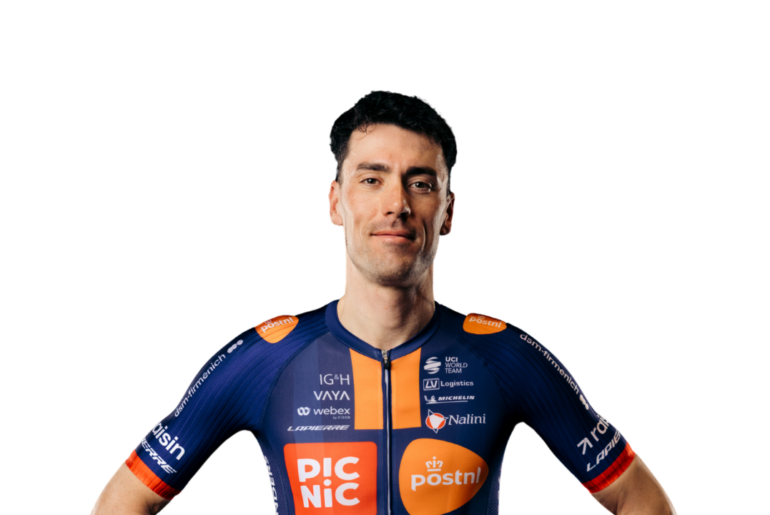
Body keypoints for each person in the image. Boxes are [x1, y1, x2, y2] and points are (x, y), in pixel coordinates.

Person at [91, 90, 677, 515]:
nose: (396, 203)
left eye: (420, 183)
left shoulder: (506, 355)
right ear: (335, 204)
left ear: (448, 213)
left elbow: (640, 499)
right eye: (371, 179)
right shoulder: (263, 359)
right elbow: (123, 501)